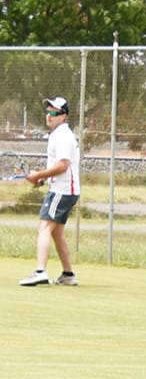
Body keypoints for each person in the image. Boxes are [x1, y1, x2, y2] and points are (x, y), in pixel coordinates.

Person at [19, 96, 81, 287]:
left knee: (44, 228)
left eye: (54, 112)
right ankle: (68, 274)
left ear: (64, 116)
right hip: (63, 189)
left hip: (62, 191)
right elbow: (59, 167)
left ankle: (40, 272)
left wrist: (39, 174)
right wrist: (42, 178)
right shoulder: (57, 135)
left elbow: (63, 165)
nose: (49, 115)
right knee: (56, 233)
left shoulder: (63, 136)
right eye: (48, 111)